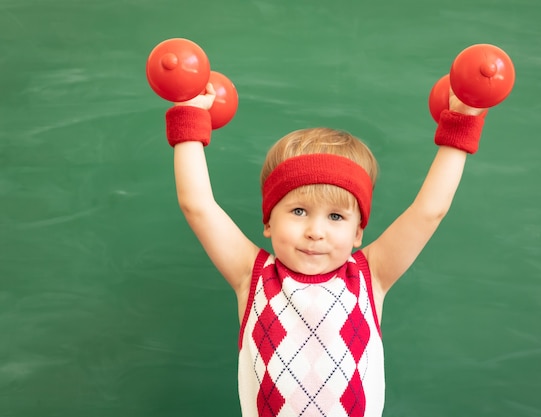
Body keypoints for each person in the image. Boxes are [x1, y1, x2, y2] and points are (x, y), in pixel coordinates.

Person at [164, 83, 486, 417]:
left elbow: (429, 210)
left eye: (335, 216)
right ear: (269, 221)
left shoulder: (369, 276)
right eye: (298, 211)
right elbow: (197, 206)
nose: (316, 232)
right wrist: (189, 116)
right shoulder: (253, 276)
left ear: (358, 231)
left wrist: (460, 125)